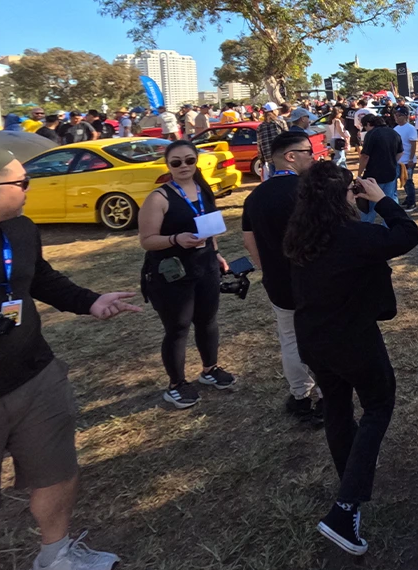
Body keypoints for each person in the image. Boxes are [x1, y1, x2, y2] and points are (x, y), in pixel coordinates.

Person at [0, 144, 138, 570]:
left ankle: (55, 559)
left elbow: (39, 279)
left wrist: (90, 301)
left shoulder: (20, 230)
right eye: (21, 183)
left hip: (35, 376)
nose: (29, 188)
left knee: (57, 470)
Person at [283, 163, 418, 557]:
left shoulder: (301, 234)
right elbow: (407, 235)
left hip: (313, 338)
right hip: (352, 341)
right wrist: (381, 200)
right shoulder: (355, 236)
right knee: (378, 405)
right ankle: (344, 509)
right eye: (350, 192)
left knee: (338, 409)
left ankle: (350, 484)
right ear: (344, 196)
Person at [137, 140, 235, 409]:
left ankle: (210, 369)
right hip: (172, 274)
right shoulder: (159, 198)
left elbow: (209, 227)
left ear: (196, 161)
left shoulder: (204, 190)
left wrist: (215, 253)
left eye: (189, 160)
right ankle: (176, 384)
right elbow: (147, 240)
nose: (184, 166)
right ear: (168, 165)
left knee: (207, 321)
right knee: (178, 328)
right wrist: (175, 239)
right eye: (176, 162)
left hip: (205, 267)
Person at [241, 132, 323, 425]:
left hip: (279, 284)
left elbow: (248, 241)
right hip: (315, 281)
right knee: (320, 338)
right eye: (308, 152)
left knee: (290, 339)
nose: (312, 157)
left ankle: (300, 396)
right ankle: (327, 397)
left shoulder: (255, 196)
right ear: (291, 156)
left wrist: (267, 268)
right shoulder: (309, 190)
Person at [358, 114, 403, 207]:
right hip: (390, 173)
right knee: (390, 203)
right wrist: (391, 162)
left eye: (365, 127)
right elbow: (400, 152)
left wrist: (359, 174)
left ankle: (368, 222)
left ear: (368, 124)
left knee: (371, 206)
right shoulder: (394, 133)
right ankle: (390, 222)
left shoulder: (371, 134)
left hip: (374, 175)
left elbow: (365, 156)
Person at [392, 106, 418, 212]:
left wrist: (411, 159)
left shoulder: (410, 128)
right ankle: (408, 199)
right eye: (395, 115)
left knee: (408, 181)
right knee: (403, 181)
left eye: (399, 115)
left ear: (405, 116)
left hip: (408, 160)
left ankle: (412, 202)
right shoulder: (395, 129)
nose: (397, 118)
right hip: (399, 160)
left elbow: (413, 144)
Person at [256, 102, 287, 181]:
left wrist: (262, 160)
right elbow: (288, 139)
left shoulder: (260, 127)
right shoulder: (280, 123)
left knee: (274, 180)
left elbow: (259, 145)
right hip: (282, 156)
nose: (278, 111)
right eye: (276, 109)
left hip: (269, 158)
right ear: (273, 111)